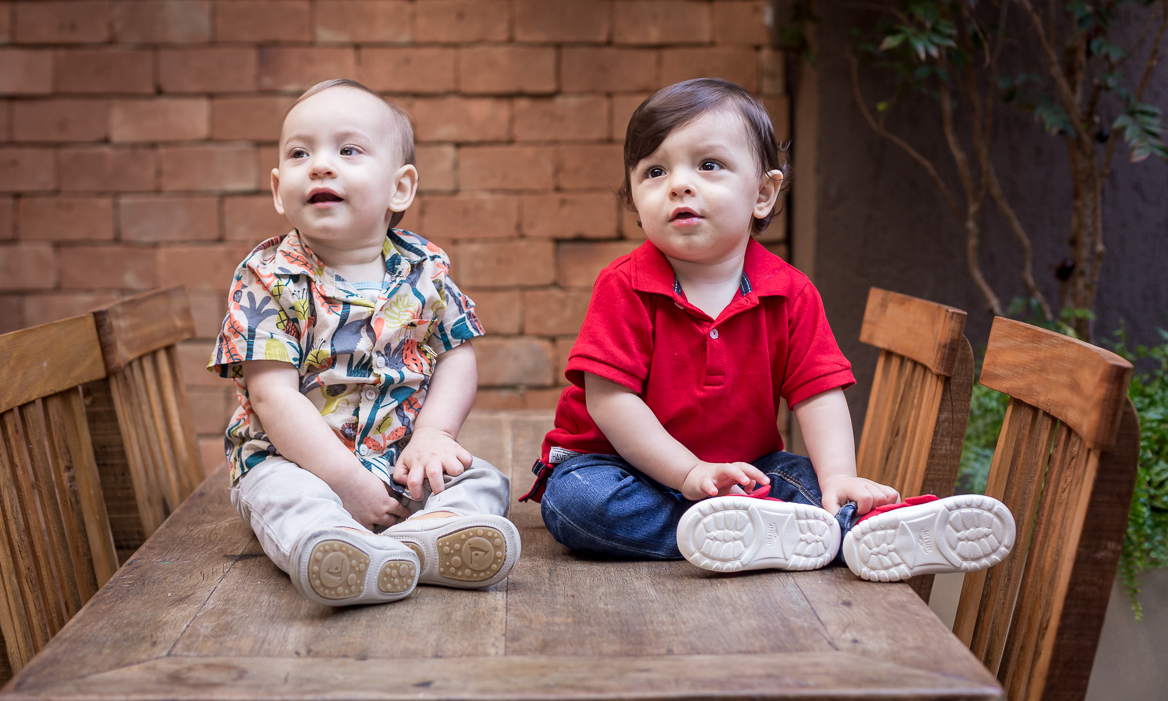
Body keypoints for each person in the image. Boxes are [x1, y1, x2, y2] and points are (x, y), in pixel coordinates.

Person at [524, 78, 1014, 582]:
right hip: (618, 465)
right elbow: (612, 403)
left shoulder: (790, 292)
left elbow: (818, 395)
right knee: (576, 503)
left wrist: (839, 476)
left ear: (762, 193)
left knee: (802, 478)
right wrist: (689, 474)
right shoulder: (625, 286)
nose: (679, 184)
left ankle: (867, 526)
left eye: (708, 165)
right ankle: (771, 535)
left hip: (745, 470)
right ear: (635, 196)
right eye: (654, 171)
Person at [209, 79, 520, 607]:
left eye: (348, 150)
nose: (321, 165)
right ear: (278, 188)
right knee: (288, 499)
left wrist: (435, 435)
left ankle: (425, 538)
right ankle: (336, 548)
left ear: (400, 188)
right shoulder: (268, 277)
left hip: (401, 456)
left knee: (484, 478)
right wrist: (346, 483)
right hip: (296, 461)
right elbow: (272, 396)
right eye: (300, 152)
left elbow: (456, 354)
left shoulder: (424, 269)